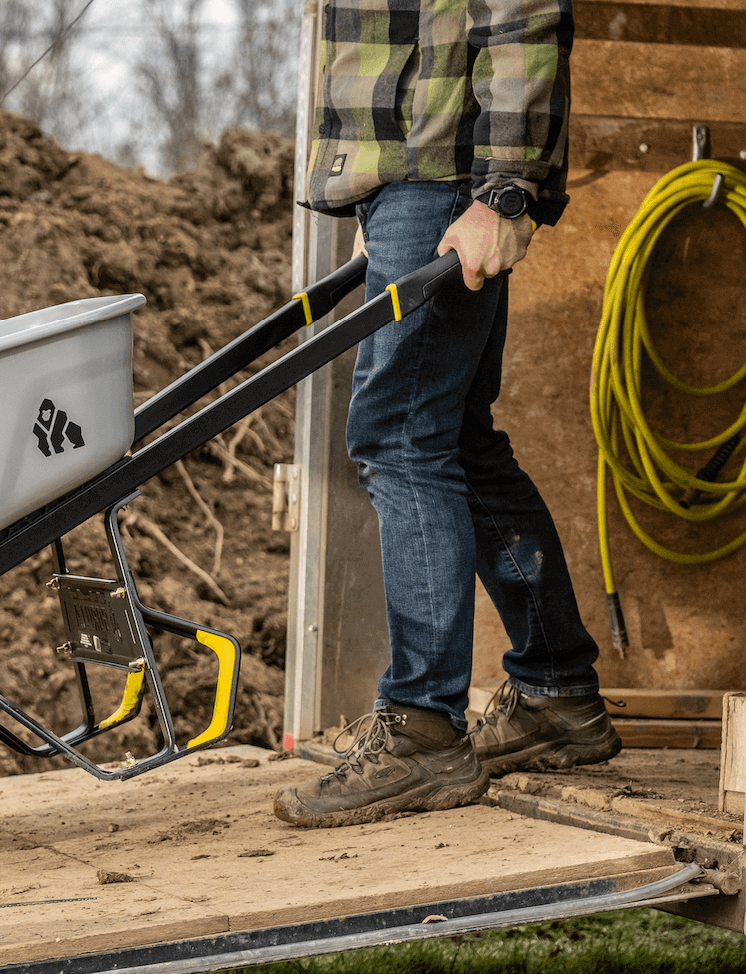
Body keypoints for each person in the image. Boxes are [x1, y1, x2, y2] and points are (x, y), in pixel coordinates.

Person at [274, 0, 621, 828]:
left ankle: (425, 726)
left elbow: (521, 16)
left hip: (443, 179)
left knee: (399, 438)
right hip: (409, 182)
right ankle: (556, 691)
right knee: (457, 439)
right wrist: (373, 202)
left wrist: (504, 194)